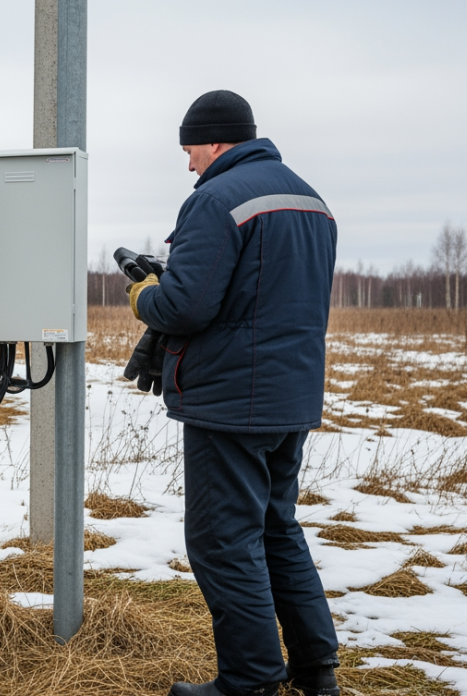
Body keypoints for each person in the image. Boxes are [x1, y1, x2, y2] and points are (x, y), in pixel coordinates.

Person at [127, 90, 341, 696]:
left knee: (224, 540)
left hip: (231, 400)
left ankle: (249, 681)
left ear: (216, 141)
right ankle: (315, 670)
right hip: (290, 395)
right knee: (277, 528)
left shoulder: (217, 199)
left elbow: (185, 306)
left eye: (190, 149)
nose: (188, 162)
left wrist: (143, 293)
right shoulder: (310, 199)